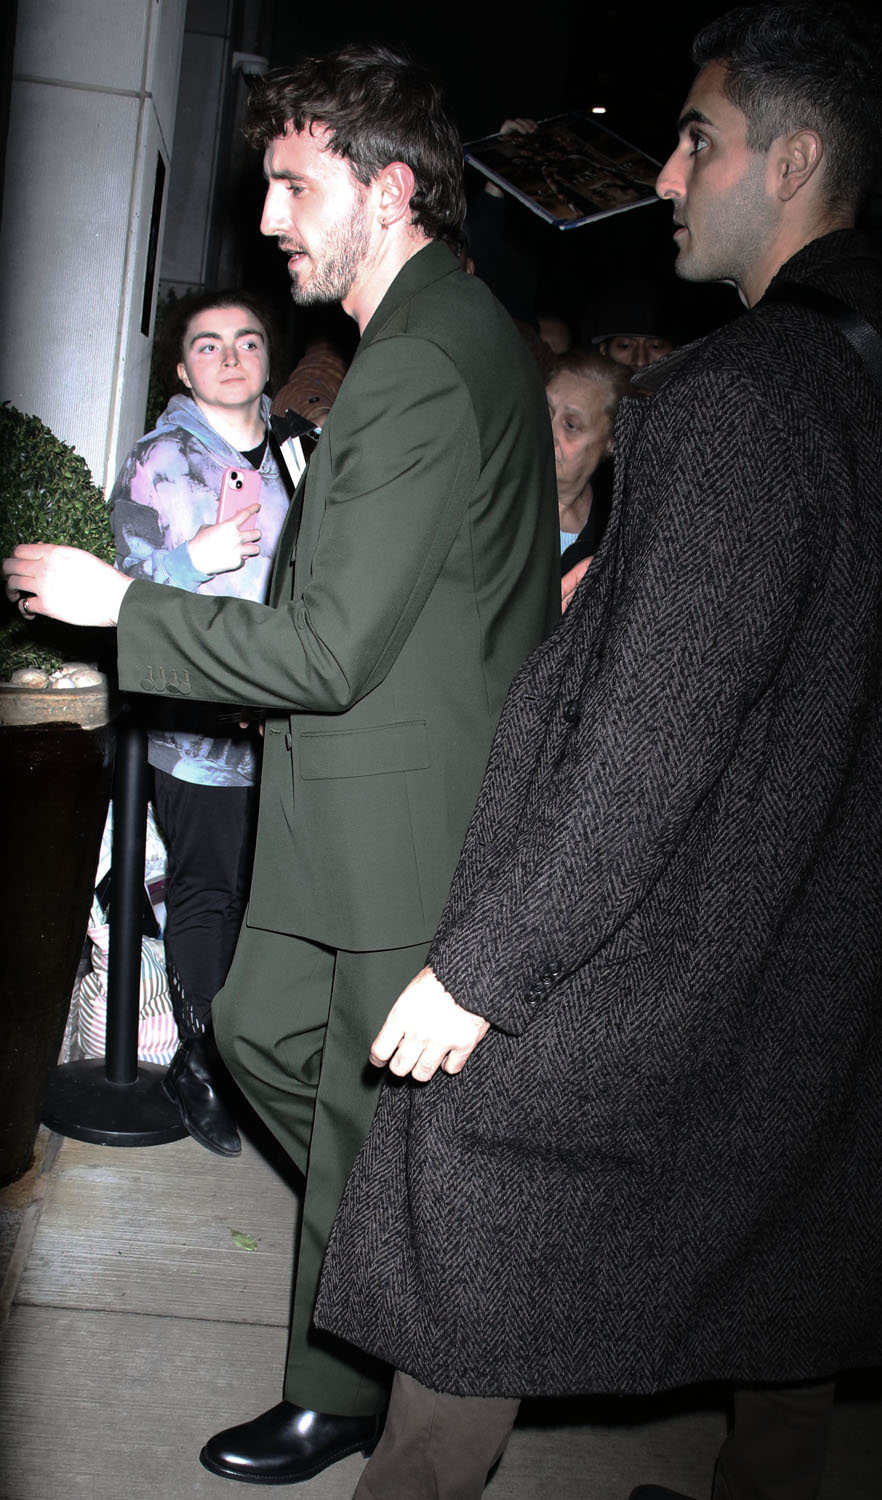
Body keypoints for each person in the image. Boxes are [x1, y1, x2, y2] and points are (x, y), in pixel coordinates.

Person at [308, 6, 882, 1499]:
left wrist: (485, 970)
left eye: (697, 140)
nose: (666, 177)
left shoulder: (742, 400)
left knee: (469, 1193)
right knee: (795, 1251)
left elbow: (652, 731)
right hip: (820, 954)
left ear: (794, 161)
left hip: (669, 945)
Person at [2, 42, 559, 1487]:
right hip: (342, 800)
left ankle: (350, 1370)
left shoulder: (427, 357)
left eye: (293, 185)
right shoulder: (424, 337)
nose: (266, 218)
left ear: (388, 189)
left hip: (400, 823)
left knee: (369, 1117)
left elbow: (327, 646)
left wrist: (125, 607)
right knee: (254, 1030)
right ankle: (387, 1255)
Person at [110, 289, 289, 1158]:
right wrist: (195, 557)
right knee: (209, 891)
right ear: (182, 370)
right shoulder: (160, 458)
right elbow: (118, 588)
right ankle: (206, 1065)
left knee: (272, 896)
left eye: (247, 341)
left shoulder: (303, 452)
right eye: (208, 345)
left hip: (290, 712)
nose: (230, 356)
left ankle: (247, 1056)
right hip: (198, 723)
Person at [546, 349, 631, 610]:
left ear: (611, 442)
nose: (548, 430)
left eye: (571, 425)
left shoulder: (619, 532)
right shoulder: (489, 499)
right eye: (544, 410)